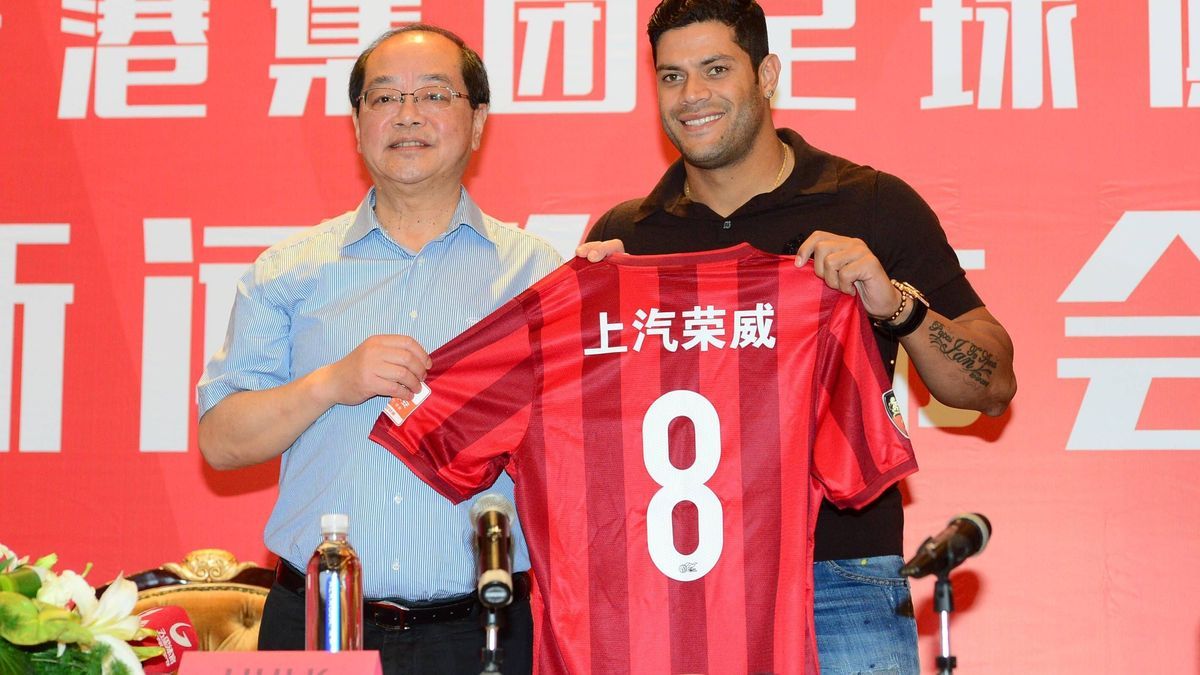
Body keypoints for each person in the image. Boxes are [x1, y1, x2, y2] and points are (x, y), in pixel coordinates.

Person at [578, 1, 1017, 673]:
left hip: (840, 577)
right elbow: (592, 428)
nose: (692, 95)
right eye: (671, 76)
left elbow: (991, 385)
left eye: (715, 69)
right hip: (677, 578)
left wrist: (896, 304)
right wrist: (583, 314)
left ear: (767, 74)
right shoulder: (629, 236)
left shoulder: (870, 204)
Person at [197, 24, 562, 675]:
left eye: (434, 95)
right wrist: (330, 382)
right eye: (384, 98)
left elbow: (579, 446)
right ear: (357, 123)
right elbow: (221, 443)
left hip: (482, 627)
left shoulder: (537, 277)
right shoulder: (289, 271)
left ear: (478, 122)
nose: (408, 115)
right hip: (319, 622)